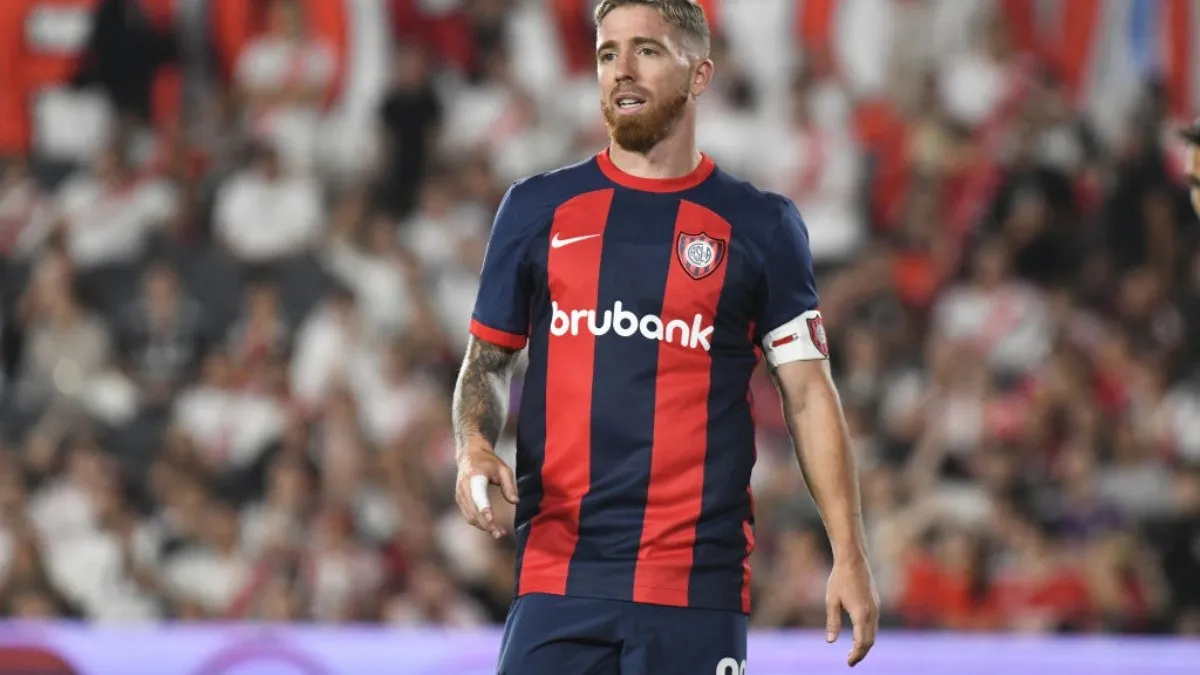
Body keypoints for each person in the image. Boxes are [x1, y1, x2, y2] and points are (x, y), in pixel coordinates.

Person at [451, 1, 879, 673]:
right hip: (559, 577)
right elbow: (487, 361)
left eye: (646, 50)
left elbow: (807, 392)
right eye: (606, 52)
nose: (621, 69)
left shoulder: (760, 225)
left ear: (700, 73)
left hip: (695, 588)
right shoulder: (537, 209)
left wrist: (849, 553)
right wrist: (474, 447)